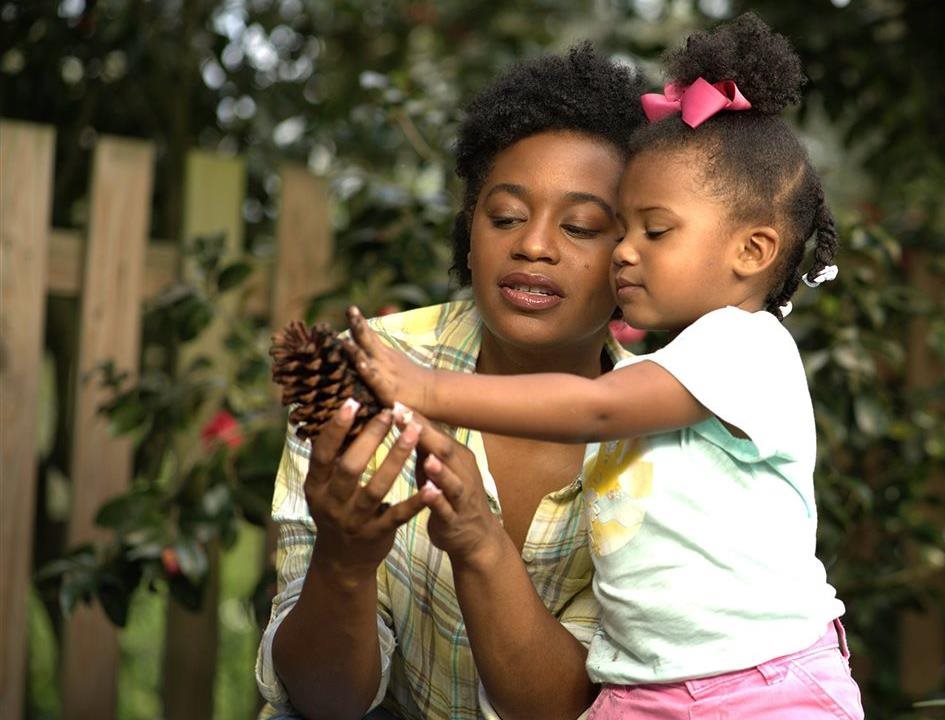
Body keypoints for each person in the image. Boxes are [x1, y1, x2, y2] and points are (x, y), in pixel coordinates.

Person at [346, 14, 864, 719]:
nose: (624, 251)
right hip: (639, 693)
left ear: (751, 251)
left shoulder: (745, 348)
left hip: (761, 687)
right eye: (620, 230)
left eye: (654, 231)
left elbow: (592, 410)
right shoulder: (657, 367)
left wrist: (429, 389)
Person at [255, 43, 649, 720]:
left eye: (580, 225)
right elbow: (322, 703)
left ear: (631, 257)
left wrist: (479, 540)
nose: (533, 245)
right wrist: (343, 566)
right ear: (469, 234)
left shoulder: (661, 438)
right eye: (505, 217)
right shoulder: (366, 372)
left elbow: (564, 710)